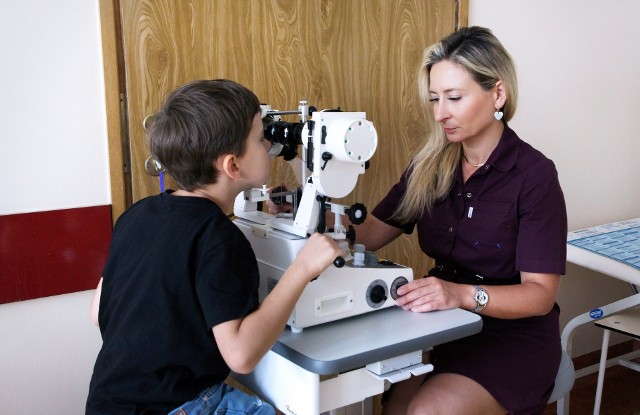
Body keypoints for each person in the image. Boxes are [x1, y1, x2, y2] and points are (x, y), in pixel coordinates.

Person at [85, 79, 343, 414]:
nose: (268, 143)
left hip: (108, 402)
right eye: (259, 137)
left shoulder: (137, 215)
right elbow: (241, 356)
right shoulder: (219, 238)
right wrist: (302, 269)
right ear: (232, 165)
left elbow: (97, 313)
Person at [353, 26, 567, 415]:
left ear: (497, 93)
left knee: (425, 412)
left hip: (512, 337)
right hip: (441, 322)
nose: (440, 114)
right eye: (435, 99)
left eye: (454, 98)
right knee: (390, 407)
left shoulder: (533, 176)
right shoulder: (429, 167)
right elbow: (369, 233)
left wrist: (460, 294)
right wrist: (314, 216)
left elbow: (540, 295)